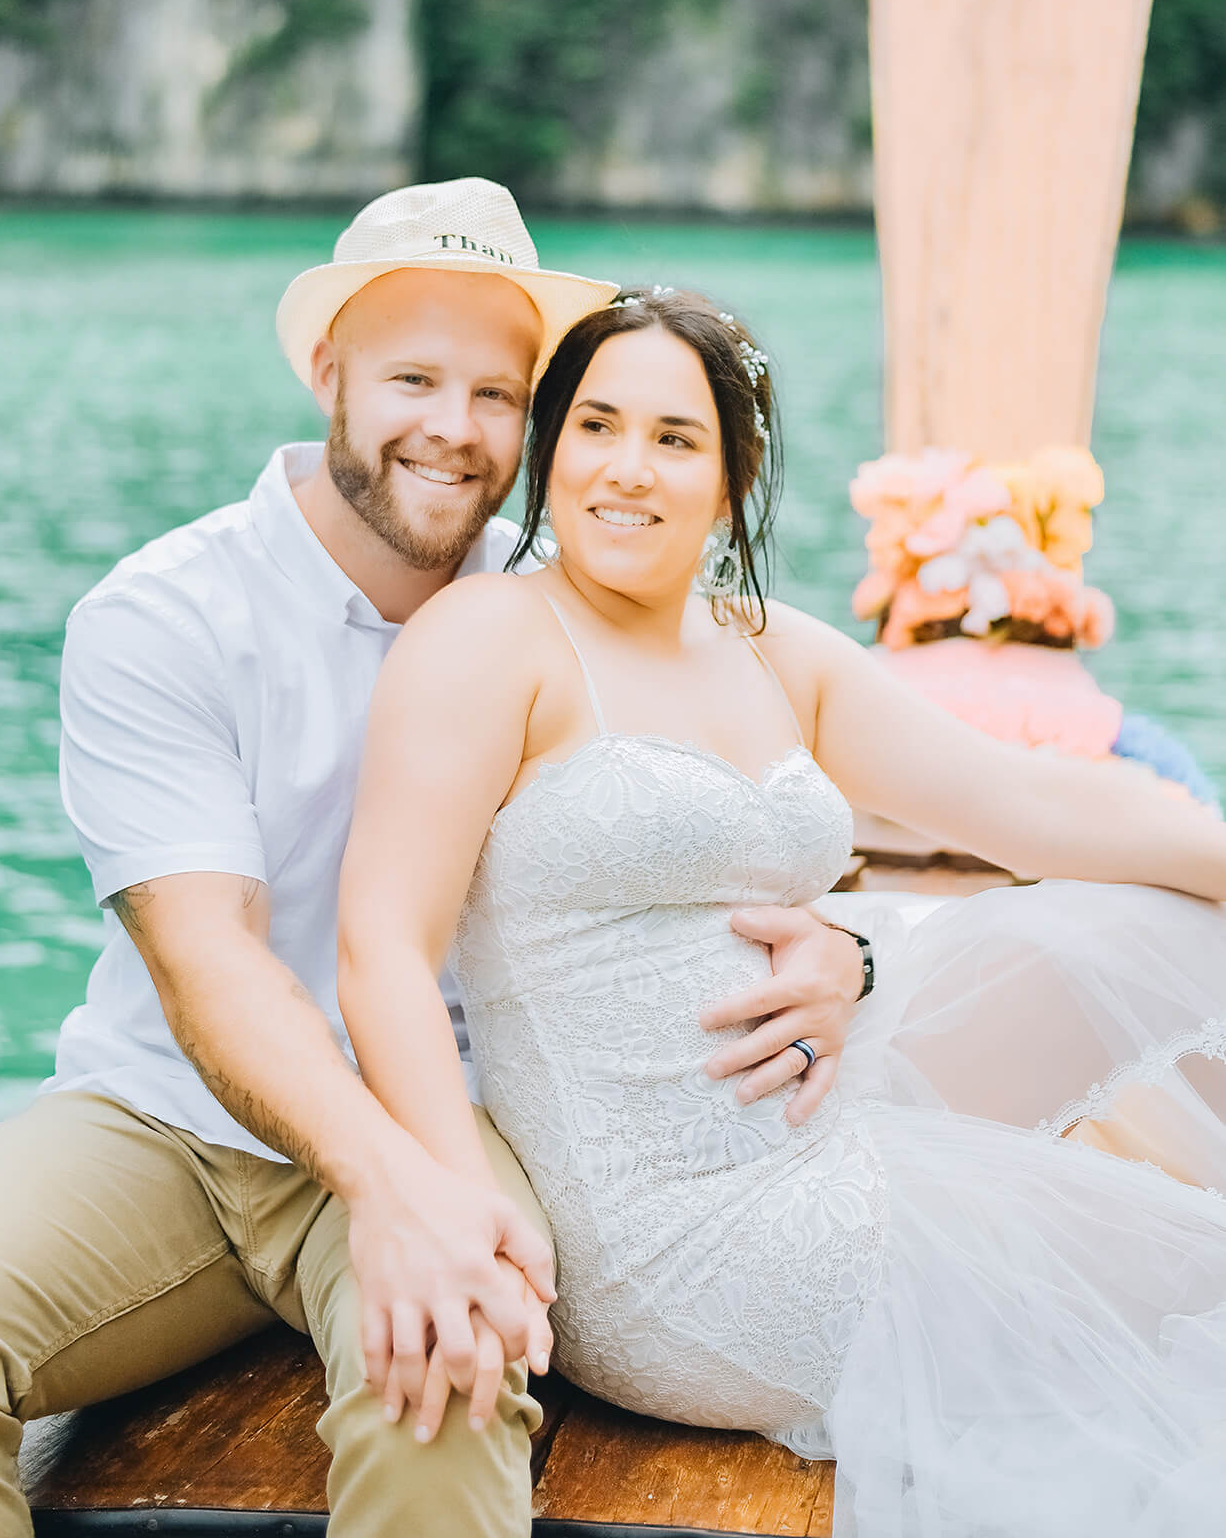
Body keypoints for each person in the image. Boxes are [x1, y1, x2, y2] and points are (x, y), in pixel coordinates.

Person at [0, 186, 873, 1538]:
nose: (452, 428)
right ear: (327, 373)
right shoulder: (165, 617)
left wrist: (846, 949)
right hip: (169, 1121)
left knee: (446, 1386)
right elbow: (206, 962)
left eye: (494, 393)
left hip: (451, 1112)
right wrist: (395, 1190)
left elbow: (750, 795)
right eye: (413, 377)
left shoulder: (573, 597)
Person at [338, 286, 1226, 1537]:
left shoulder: (772, 649)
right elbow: (380, 945)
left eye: (672, 437)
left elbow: (1020, 800)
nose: (623, 469)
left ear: (729, 477)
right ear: (550, 449)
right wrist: (444, 1204)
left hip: (828, 1120)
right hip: (678, 1245)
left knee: (1177, 926)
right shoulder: (490, 640)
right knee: (1195, 1281)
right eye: (593, 425)